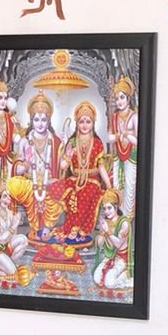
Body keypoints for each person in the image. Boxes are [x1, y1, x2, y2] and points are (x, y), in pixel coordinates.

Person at [12, 91, 63, 238]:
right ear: (31, 120)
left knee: (61, 187)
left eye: (43, 120)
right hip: (30, 182)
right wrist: (27, 164)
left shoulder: (55, 141)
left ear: (49, 121)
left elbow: (61, 167)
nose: (40, 124)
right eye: (36, 119)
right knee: (15, 184)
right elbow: (17, 169)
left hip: (49, 181)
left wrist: (66, 154)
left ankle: (47, 227)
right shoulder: (24, 141)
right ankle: (35, 228)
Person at [58, 100, 111, 240]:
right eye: (81, 121)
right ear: (77, 123)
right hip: (74, 179)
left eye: (88, 121)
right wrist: (67, 153)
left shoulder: (97, 143)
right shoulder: (72, 142)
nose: (85, 125)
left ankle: (78, 228)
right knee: (62, 190)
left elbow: (101, 167)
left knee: (86, 193)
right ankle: (71, 227)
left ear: (93, 123)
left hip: (92, 181)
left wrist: (109, 186)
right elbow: (63, 166)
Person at [106, 76, 139, 219]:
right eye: (117, 98)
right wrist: (118, 136)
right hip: (117, 155)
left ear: (128, 99)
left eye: (122, 97)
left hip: (131, 155)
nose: (119, 101)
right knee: (117, 185)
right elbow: (109, 138)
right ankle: (117, 216)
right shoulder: (114, 117)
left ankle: (128, 217)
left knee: (129, 185)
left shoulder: (134, 117)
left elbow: (138, 140)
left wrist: (127, 135)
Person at [0, 181, 28, 278]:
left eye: (8, 196)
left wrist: (15, 223)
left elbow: (12, 236)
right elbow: (1, 239)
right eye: (4, 196)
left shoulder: (9, 213)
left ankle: (9, 263)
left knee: (23, 239)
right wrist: (14, 225)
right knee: (13, 274)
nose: (8, 198)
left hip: (3, 247)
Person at [92, 190, 133, 291]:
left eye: (109, 208)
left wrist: (107, 231)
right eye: (104, 209)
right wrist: (102, 232)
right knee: (97, 278)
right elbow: (99, 244)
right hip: (109, 257)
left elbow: (118, 244)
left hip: (121, 259)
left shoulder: (124, 223)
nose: (107, 211)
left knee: (109, 283)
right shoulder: (106, 222)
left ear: (116, 207)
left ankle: (126, 276)